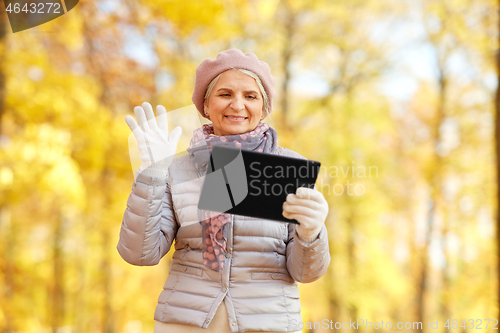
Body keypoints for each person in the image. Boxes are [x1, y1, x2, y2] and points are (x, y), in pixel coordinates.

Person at [117, 49, 331, 333]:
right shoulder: (178, 169)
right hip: (186, 322)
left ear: (264, 107)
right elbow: (140, 254)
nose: (238, 105)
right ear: (205, 106)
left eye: (250, 96)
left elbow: (306, 272)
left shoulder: (288, 167)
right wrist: (151, 176)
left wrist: (312, 234)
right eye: (225, 94)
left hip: (266, 323)